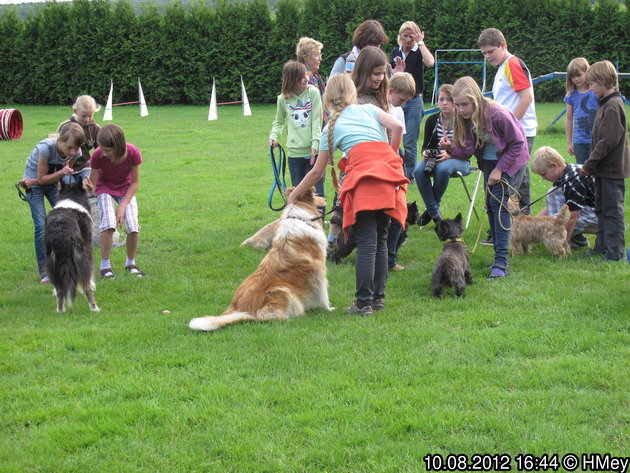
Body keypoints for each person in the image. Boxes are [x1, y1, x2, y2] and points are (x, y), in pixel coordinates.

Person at [287, 74, 408, 315]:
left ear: (327, 100)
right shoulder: (369, 110)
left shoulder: (331, 128)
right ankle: (377, 300)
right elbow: (398, 127)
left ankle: (363, 304)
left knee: (366, 243)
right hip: (387, 177)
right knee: (381, 240)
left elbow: (316, 173)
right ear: (352, 93)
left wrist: (293, 196)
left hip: (363, 181)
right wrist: (389, 156)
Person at [439, 77, 529, 279]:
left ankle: (501, 262)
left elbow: (518, 144)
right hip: (489, 162)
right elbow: (466, 150)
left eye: (465, 104)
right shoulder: (465, 118)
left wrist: (499, 170)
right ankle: (498, 256)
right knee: (490, 204)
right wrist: (451, 148)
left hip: (510, 161)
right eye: (458, 105)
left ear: (476, 99)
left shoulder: (496, 114)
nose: (461, 110)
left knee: (499, 206)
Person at [478, 28, 537, 224]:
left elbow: (526, 97)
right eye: (484, 53)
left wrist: (511, 128)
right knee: (522, 183)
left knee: (507, 183)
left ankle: (499, 228)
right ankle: (527, 227)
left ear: (503, 46)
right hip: (515, 132)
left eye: (490, 51)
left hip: (519, 134)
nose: (487, 57)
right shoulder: (504, 66)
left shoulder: (512, 64)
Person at [20, 122, 84, 283]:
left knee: (65, 221)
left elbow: (63, 173)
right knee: (41, 226)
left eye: (76, 148)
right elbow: (41, 179)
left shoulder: (76, 152)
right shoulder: (45, 149)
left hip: (52, 184)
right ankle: (45, 271)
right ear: (59, 141)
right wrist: (61, 173)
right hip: (34, 187)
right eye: (69, 148)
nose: (73, 152)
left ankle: (68, 263)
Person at [580, 60, 630, 262]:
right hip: (602, 170)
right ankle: (601, 246)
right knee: (600, 209)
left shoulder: (613, 106)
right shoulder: (605, 104)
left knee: (612, 211)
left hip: (612, 170)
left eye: (591, 84)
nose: (590, 89)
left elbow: (607, 141)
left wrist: (589, 164)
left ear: (602, 81)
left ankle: (615, 253)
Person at [89, 123, 144, 278]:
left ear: (118, 145)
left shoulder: (133, 152)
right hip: (104, 187)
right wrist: (88, 187)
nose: (103, 153)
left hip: (126, 188)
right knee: (108, 224)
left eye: (108, 150)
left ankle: (130, 263)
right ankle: (105, 267)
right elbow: (93, 184)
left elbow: (135, 182)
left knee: (133, 226)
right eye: (102, 149)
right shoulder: (98, 156)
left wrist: (122, 206)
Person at [415, 84, 470, 226]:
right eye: (441, 99)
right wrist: (425, 153)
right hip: (436, 158)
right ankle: (434, 212)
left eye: (449, 99)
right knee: (418, 171)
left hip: (460, 159)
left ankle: (431, 211)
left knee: (442, 169)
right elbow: (425, 145)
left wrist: (450, 154)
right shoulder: (432, 120)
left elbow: (468, 151)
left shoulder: (463, 120)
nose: (445, 103)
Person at [269, 61, 324, 198]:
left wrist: (315, 144)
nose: (306, 79)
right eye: (301, 77)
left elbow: (317, 120)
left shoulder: (313, 93)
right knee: (298, 195)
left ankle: (319, 220)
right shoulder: (282, 99)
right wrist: (274, 136)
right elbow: (279, 121)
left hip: (314, 151)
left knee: (317, 195)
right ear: (292, 80)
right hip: (295, 153)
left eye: (306, 74)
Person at [391, 21, 435, 180]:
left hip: (414, 100)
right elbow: (392, 77)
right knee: (391, 137)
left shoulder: (418, 52)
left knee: (410, 142)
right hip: (396, 100)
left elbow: (430, 63)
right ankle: (400, 165)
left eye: (412, 36)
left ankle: (410, 176)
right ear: (400, 36)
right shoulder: (395, 51)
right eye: (405, 35)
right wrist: (396, 73)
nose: (408, 39)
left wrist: (421, 42)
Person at [530, 146, 597, 249]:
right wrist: (532, 224)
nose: (543, 179)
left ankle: (570, 241)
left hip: (603, 216)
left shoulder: (573, 181)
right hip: (589, 207)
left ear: (554, 165)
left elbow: (572, 216)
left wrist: (560, 245)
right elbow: (552, 207)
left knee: (559, 220)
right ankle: (562, 235)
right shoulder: (566, 172)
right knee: (553, 193)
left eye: (544, 174)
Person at [386, 72, 416, 271]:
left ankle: (390, 259)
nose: (403, 104)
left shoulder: (397, 111)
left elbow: (397, 146)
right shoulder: (376, 108)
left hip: (394, 165)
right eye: (402, 99)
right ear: (390, 91)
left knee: (398, 215)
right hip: (379, 166)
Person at [57, 95, 101, 184]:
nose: (87, 119)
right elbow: (57, 150)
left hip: (85, 167)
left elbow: (102, 151)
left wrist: (94, 161)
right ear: (75, 111)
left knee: (86, 187)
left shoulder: (96, 128)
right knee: (70, 188)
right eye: (84, 116)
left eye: (90, 115)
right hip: (65, 168)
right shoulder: (65, 126)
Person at [564, 58, 599, 165]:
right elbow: (569, 119)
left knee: (598, 169)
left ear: (587, 72)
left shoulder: (596, 91)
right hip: (579, 142)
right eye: (573, 76)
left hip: (597, 139)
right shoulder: (571, 95)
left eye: (579, 75)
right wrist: (569, 142)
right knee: (582, 170)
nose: (576, 79)